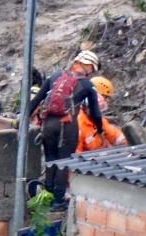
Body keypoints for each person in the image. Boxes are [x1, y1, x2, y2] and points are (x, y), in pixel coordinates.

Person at [29, 50, 103, 211]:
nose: (92, 73)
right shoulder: (87, 85)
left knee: (50, 160)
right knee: (63, 162)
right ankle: (58, 201)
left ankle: (46, 197)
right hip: (67, 127)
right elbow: (95, 113)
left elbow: (36, 100)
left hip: (47, 124)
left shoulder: (55, 75)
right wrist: (100, 128)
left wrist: (21, 119)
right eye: (92, 69)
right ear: (88, 66)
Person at [76, 76, 126, 153]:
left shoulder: (99, 120)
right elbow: (76, 156)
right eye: (105, 97)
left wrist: (128, 142)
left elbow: (115, 136)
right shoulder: (79, 125)